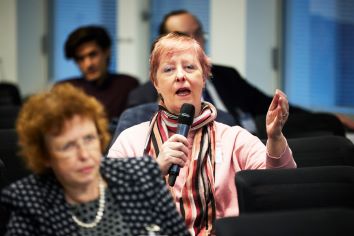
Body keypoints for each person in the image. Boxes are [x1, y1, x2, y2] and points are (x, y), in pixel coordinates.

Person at [108, 32, 296, 235]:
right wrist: (152, 171)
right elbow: (104, 204)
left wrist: (275, 138)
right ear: (156, 83)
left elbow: (280, 188)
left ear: (204, 77)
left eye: (190, 67)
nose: (181, 76)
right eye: (169, 69)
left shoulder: (234, 138)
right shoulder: (130, 140)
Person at [0, 84, 190, 236]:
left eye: (89, 139)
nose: (85, 155)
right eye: (68, 146)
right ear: (45, 155)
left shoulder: (140, 173)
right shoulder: (27, 201)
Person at [127, 10, 354, 132]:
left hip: (251, 136)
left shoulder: (226, 75)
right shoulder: (143, 96)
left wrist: (332, 116)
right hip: (206, 151)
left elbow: (267, 104)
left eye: (198, 34)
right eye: (185, 36)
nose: (195, 41)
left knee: (327, 125)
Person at [58, 25, 139, 121]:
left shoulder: (127, 85)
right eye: (80, 59)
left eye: (93, 54)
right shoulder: (67, 89)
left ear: (106, 52)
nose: (88, 64)